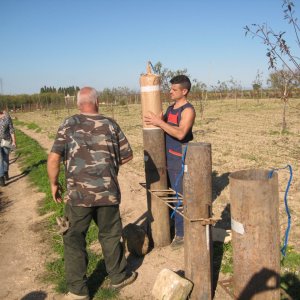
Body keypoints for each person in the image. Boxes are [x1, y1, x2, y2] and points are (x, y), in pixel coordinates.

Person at [47, 87, 137, 300]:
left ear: (79, 104)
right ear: (97, 102)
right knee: (110, 234)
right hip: (108, 193)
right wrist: (108, 168)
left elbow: (53, 159)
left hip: (78, 196)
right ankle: (118, 277)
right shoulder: (111, 124)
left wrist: (53, 184)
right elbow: (127, 155)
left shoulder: (68, 124)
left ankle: (78, 291)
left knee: (74, 238)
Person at [144, 75, 195, 250]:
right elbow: (165, 127)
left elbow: (181, 134)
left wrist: (159, 122)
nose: (170, 92)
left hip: (179, 159)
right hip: (166, 158)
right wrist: (159, 121)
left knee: (179, 197)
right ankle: (171, 226)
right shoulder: (171, 108)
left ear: (184, 91)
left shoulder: (188, 110)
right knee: (169, 195)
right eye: (170, 88)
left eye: (174, 89)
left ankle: (182, 234)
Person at [0, 110, 17, 186]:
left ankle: (6, 171)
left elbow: (11, 130)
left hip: (6, 141)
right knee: (0, 159)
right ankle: (1, 177)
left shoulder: (7, 117)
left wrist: (14, 141)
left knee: (5, 157)